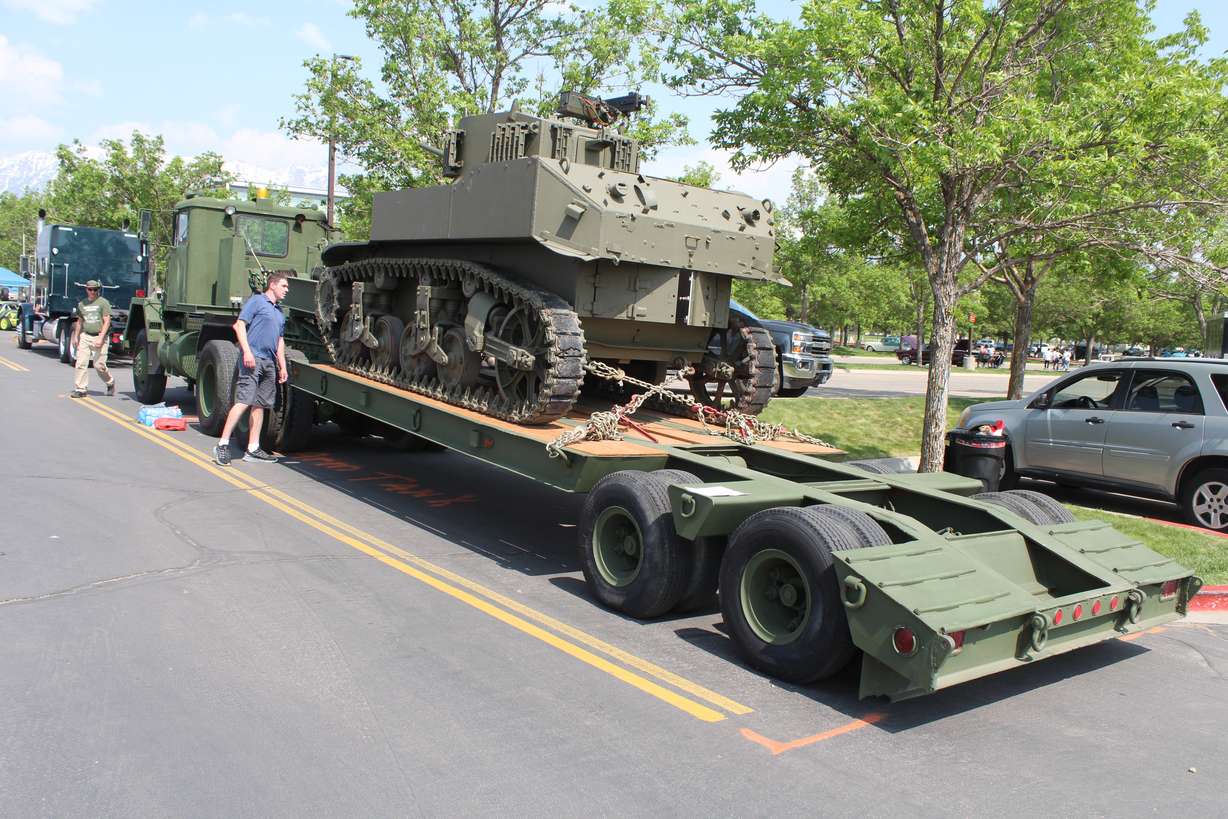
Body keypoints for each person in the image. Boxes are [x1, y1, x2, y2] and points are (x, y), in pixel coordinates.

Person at [213, 272, 290, 465]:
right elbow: (239, 326)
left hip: (269, 363)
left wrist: (282, 366)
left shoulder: (279, 312)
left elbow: (280, 340)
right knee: (244, 401)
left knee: (260, 404)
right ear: (272, 285)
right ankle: (222, 444)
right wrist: (247, 352)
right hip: (252, 359)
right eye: (284, 286)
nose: (287, 290)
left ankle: (253, 448)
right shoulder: (257, 301)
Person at [70, 280, 115, 398]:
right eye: (90, 289)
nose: (93, 292)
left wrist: (101, 337)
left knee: (99, 365)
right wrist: (76, 337)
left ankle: (110, 382)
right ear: (86, 290)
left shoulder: (103, 303)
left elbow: (107, 321)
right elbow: (80, 321)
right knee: (81, 363)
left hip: (100, 336)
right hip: (86, 336)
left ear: (98, 290)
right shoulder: (82, 304)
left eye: (95, 289)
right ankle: (80, 389)